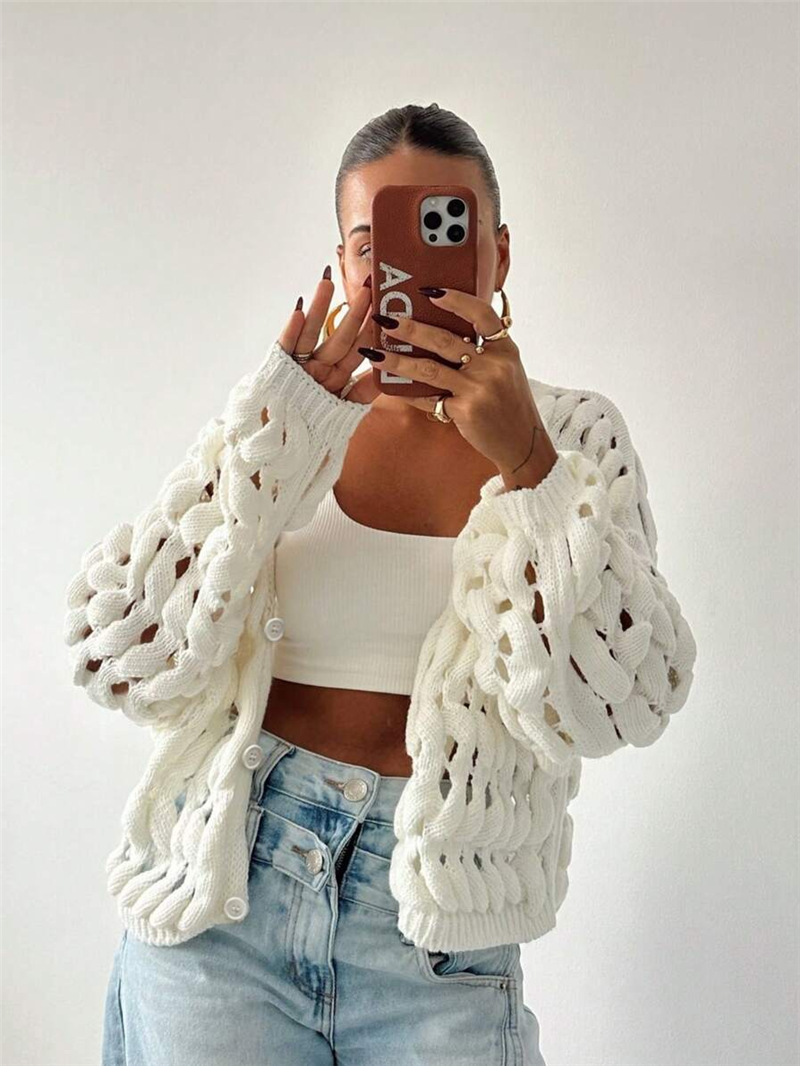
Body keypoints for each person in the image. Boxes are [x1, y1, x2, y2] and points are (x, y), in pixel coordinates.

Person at [64, 102, 697, 1066]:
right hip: (223, 904)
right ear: (343, 261)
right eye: (375, 242)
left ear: (498, 254)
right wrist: (274, 435)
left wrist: (531, 468)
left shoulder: (573, 440)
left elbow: (626, 703)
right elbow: (119, 657)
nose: (409, 265)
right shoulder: (285, 422)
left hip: (441, 932)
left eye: (447, 229)